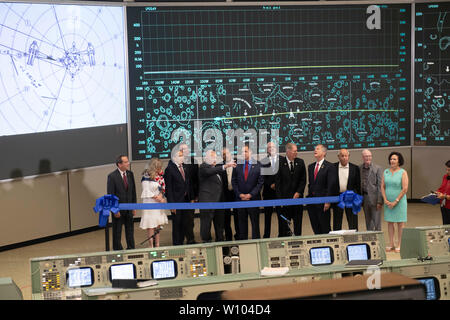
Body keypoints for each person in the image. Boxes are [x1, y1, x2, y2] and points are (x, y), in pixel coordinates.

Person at [198, 149, 236, 242]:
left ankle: (220, 241)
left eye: (215, 156)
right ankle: (206, 242)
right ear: (206, 158)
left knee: (220, 225)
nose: (215, 158)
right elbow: (210, 172)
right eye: (212, 156)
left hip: (219, 203)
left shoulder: (215, 168)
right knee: (206, 224)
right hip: (208, 202)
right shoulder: (203, 167)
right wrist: (226, 166)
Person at [232, 145, 264, 240]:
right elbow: (234, 181)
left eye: (245, 151)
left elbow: (260, 182)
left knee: (255, 223)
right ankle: (243, 242)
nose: (243, 153)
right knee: (242, 223)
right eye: (242, 152)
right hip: (240, 199)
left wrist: (251, 194)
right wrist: (239, 194)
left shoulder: (259, 165)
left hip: (253, 199)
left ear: (250, 152)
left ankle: (256, 242)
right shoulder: (237, 165)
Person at [164, 148, 195, 246]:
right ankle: (177, 243)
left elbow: (189, 183)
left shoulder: (185, 167)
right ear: (174, 158)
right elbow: (168, 188)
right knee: (177, 223)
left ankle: (186, 241)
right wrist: (171, 205)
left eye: (182, 155)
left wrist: (192, 198)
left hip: (186, 200)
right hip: (176, 201)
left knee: (186, 222)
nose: (183, 157)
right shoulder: (169, 169)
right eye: (180, 156)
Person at [275, 142, 306, 236]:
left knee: (298, 224)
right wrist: (280, 200)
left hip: (297, 200)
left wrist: (298, 192)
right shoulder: (279, 163)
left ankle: (298, 241)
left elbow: (303, 180)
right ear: (288, 151)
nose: (296, 153)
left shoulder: (300, 162)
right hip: (285, 201)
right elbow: (278, 183)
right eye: (294, 151)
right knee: (284, 226)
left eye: (296, 151)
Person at [107, 155, 137, 250]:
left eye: (128, 161)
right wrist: (115, 210)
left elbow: (133, 192)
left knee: (130, 230)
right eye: (126, 162)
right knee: (117, 232)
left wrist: (134, 206)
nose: (128, 163)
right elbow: (110, 195)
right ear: (119, 164)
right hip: (118, 210)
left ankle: (131, 248)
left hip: (129, 208)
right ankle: (117, 251)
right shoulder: (112, 176)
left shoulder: (130, 174)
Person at [381, 151, 409, 253]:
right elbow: (382, 187)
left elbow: (405, 188)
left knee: (400, 223)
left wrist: (396, 201)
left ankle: (400, 244)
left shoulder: (403, 172)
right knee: (390, 222)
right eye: (391, 159)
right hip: (388, 203)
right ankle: (391, 244)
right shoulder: (386, 172)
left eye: (394, 159)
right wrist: (385, 199)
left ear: (399, 161)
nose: (392, 161)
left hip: (399, 202)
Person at [307, 144, 336, 235]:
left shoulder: (330, 166)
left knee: (325, 227)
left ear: (324, 152)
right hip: (312, 202)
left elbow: (331, 185)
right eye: (315, 149)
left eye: (318, 149)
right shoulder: (311, 167)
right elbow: (311, 184)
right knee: (315, 227)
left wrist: (327, 201)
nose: (315, 150)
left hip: (323, 202)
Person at [139, 158, 169, 248]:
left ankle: (157, 244)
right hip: (149, 203)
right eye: (158, 167)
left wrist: (161, 196)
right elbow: (146, 190)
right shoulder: (146, 176)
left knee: (157, 225)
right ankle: (151, 245)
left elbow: (162, 188)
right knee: (150, 225)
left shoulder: (159, 176)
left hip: (158, 204)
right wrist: (157, 198)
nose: (160, 168)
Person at [332, 149, 361, 231]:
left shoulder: (355, 168)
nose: (344, 158)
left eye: (346, 156)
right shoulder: (333, 167)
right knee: (337, 222)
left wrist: (356, 198)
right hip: (338, 198)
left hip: (351, 199)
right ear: (338, 157)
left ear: (348, 157)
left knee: (353, 222)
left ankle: (354, 240)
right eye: (342, 156)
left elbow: (357, 185)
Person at [261, 141, 282, 238]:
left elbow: (284, 176)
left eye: (272, 147)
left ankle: (282, 234)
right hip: (268, 192)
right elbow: (262, 177)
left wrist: (277, 185)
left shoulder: (283, 160)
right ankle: (266, 235)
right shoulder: (263, 161)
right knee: (267, 216)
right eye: (269, 147)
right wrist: (270, 185)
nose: (271, 149)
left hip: (280, 192)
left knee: (281, 215)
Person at [360, 149, 383, 231]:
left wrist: (380, 201)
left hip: (375, 199)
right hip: (364, 199)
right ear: (363, 157)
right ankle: (370, 240)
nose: (368, 158)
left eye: (369, 156)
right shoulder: (359, 168)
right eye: (366, 156)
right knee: (368, 222)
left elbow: (380, 186)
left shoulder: (378, 168)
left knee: (377, 223)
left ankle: (379, 241)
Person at [220, 147, 239, 240]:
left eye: (226, 153)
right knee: (226, 218)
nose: (225, 155)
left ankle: (238, 235)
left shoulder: (238, 163)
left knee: (238, 215)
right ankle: (228, 237)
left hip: (236, 193)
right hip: (225, 194)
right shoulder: (220, 166)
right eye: (223, 154)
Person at [435, 160, 450, 225]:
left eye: (449, 170)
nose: (447, 172)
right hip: (444, 205)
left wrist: (445, 196)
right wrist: (437, 192)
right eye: (446, 170)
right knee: (445, 226)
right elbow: (442, 188)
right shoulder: (445, 177)